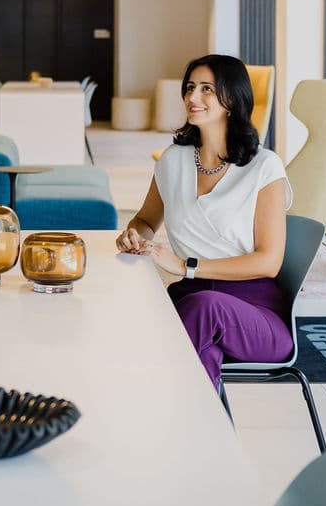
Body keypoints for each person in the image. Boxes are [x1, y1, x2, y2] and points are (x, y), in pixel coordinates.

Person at [116, 54, 293, 391]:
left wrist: (185, 265)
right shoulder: (173, 160)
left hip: (255, 315)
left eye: (207, 89)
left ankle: (170, 420)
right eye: (190, 88)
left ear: (231, 99)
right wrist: (134, 236)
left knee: (203, 308)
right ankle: (206, 432)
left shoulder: (264, 168)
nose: (192, 98)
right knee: (142, 315)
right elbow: (145, 219)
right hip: (190, 306)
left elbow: (269, 262)